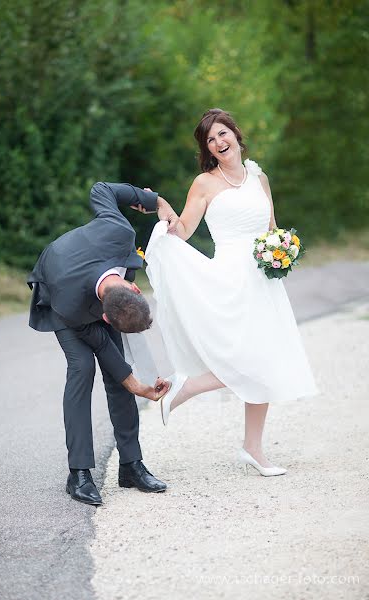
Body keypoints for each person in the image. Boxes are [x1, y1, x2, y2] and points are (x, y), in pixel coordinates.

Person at [145, 108, 318, 477]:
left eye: (223, 133)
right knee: (248, 357)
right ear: (207, 149)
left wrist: (284, 248)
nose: (219, 142)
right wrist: (163, 209)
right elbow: (185, 230)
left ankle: (252, 448)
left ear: (236, 136)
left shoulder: (259, 178)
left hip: (264, 281)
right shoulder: (205, 182)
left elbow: (271, 227)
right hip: (229, 277)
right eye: (211, 139)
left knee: (267, 358)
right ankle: (187, 387)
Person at [28, 182, 178, 505]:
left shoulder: (119, 230)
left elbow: (100, 190)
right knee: (82, 368)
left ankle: (131, 465)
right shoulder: (72, 305)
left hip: (87, 279)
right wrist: (136, 384)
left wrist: (154, 201)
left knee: (116, 376)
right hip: (60, 291)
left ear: (134, 289)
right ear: (106, 319)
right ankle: (78, 474)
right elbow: (101, 345)